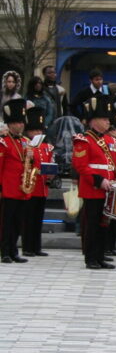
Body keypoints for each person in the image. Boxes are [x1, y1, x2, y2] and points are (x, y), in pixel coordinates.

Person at [72, 94, 116, 269]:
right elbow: (81, 166)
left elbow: (114, 163)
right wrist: (99, 180)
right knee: (92, 225)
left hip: (108, 188)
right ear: (94, 121)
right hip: (93, 188)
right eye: (104, 119)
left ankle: (100, 255)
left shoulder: (109, 140)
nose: (107, 122)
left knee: (104, 224)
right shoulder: (83, 140)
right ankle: (91, 258)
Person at [20, 107, 54, 258]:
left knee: (38, 219)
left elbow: (50, 163)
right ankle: (27, 247)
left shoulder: (47, 147)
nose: (37, 133)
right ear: (28, 132)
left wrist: (52, 174)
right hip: (30, 186)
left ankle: (36, 247)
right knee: (28, 219)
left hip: (42, 186)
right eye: (34, 131)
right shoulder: (25, 145)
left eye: (39, 131)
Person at [0, 99, 30, 263]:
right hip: (8, 188)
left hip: (22, 189)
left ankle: (13, 251)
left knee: (18, 222)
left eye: (22, 122)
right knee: (6, 222)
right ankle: (5, 251)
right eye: (18, 122)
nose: (22, 125)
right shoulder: (3, 142)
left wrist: (31, 158)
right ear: (11, 124)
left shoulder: (25, 142)